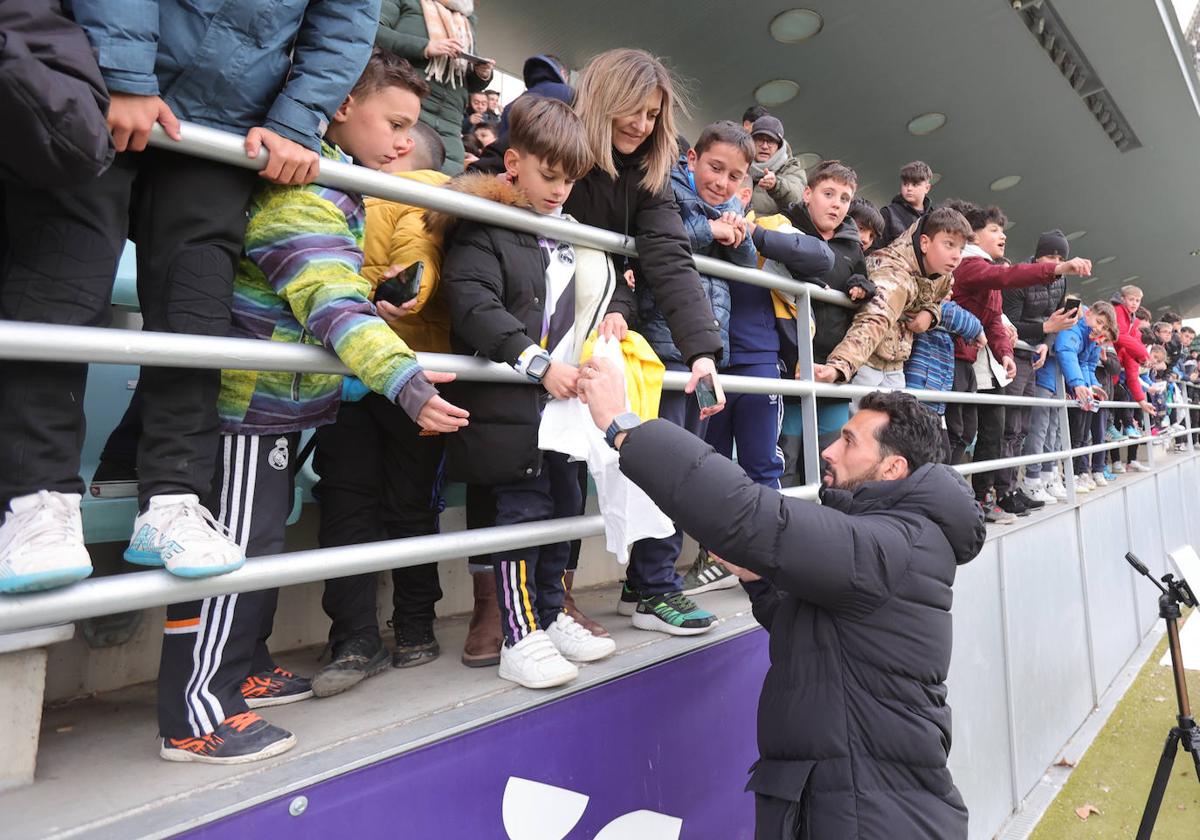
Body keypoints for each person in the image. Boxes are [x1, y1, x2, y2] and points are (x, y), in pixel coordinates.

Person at [0, 0, 377, 595]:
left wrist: (298, 116)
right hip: (101, 82)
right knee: (63, 286)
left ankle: (173, 498)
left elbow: (348, 17)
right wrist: (123, 73)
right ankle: (38, 500)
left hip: (227, 122)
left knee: (196, 314)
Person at [157, 52, 470, 764]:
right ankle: (195, 712)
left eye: (410, 128)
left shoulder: (335, 189)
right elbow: (330, 303)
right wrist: (407, 384)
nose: (401, 143)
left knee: (260, 548)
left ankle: (241, 669)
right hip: (248, 407)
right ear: (336, 110)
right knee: (231, 557)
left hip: (278, 409)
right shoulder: (307, 193)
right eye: (393, 124)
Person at [575, 364, 984, 839]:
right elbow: (818, 632)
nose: (829, 450)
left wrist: (626, 427)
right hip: (850, 807)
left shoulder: (894, 545)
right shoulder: (897, 542)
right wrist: (761, 578)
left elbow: (748, 514)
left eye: (849, 441)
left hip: (871, 821)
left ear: (892, 469)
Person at [470, 48, 730, 641]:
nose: (640, 125)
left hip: (583, 333)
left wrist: (701, 351)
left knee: (566, 471)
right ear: (602, 98)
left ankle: (557, 600)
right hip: (515, 317)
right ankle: (507, 606)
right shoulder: (551, 124)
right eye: (631, 110)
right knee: (516, 465)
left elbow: (665, 258)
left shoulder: (647, 173)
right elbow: (484, 188)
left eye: (652, 115)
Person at [440, 96, 619, 688]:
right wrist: (537, 363)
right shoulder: (484, 221)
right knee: (522, 516)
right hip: (514, 404)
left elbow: (590, 302)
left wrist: (610, 321)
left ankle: (548, 614)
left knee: (564, 512)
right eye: (549, 175)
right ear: (513, 162)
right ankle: (521, 636)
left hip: (564, 408)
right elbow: (473, 305)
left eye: (570, 179)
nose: (560, 189)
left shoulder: (568, 232)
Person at [312, 121, 452, 698]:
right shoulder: (356, 191)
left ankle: (355, 639)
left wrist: (376, 291)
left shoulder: (408, 193)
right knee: (411, 504)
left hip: (358, 368)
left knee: (348, 503)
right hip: (418, 373)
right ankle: (415, 627)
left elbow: (413, 266)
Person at [674, 127, 833, 593]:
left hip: (761, 362)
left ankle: (770, 552)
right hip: (710, 362)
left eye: (736, 179)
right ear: (693, 163)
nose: (724, 185)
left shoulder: (770, 227)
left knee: (763, 462)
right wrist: (712, 229)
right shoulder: (688, 214)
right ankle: (715, 556)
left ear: (748, 190)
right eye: (715, 170)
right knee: (712, 463)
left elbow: (820, 257)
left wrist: (752, 232)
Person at [942, 203, 1091, 519]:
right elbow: (1009, 277)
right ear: (973, 235)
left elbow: (995, 320)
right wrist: (1059, 270)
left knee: (990, 431)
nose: (1002, 236)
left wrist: (1005, 355)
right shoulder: (971, 266)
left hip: (982, 364)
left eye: (1002, 230)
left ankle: (983, 498)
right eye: (994, 230)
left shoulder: (985, 267)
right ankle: (952, 504)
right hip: (955, 359)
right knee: (961, 433)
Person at [770, 161, 875, 487]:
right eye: (828, 194)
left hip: (832, 377)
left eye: (844, 199)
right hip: (791, 371)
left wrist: (862, 286)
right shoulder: (785, 229)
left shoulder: (852, 245)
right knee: (786, 462)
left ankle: (825, 531)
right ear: (807, 193)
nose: (836, 204)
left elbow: (864, 283)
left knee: (830, 465)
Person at [813, 206, 972, 390]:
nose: (956, 256)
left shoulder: (942, 274)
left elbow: (938, 298)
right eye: (949, 244)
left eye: (961, 248)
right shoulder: (894, 275)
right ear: (925, 243)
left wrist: (931, 313)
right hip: (864, 364)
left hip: (895, 366)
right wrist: (838, 367)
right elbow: (872, 321)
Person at [1003, 230, 1080, 504]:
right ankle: (1003, 491)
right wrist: (1046, 328)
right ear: (1037, 256)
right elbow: (1008, 323)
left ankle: (1014, 488)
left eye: (1060, 257)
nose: (1055, 262)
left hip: (1035, 354)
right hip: (1013, 354)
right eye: (1050, 255)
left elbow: (1055, 317)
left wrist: (1047, 340)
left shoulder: (1061, 280)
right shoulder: (1018, 277)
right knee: (1009, 425)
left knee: (1023, 426)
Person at [376, 0, 495, 173]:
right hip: (407, 107)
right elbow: (373, 31)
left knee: (446, 185)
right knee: (396, 178)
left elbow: (469, 83)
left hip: (451, 119)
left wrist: (481, 75)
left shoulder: (467, 17)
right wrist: (425, 47)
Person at [1054, 301, 1119, 489]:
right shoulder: (1077, 324)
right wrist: (1078, 384)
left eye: (1102, 327)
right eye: (1098, 323)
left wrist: (1093, 385)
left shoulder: (1092, 337)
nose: (1098, 330)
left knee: (1081, 434)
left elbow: (1087, 365)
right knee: (1062, 432)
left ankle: (1076, 473)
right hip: (1063, 384)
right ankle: (1067, 475)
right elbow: (1066, 351)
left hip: (1076, 386)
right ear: (1089, 313)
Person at [747, 115, 807, 217]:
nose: (765, 146)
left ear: (779, 146)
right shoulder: (740, 164)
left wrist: (776, 186)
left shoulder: (792, 169)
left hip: (767, 231)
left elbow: (797, 199)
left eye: (770, 141)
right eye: (760, 140)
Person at [877, 161, 934, 248]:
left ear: (927, 188)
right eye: (905, 184)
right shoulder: (888, 213)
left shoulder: (934, 218)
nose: (909, 188)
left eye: (915, 184)